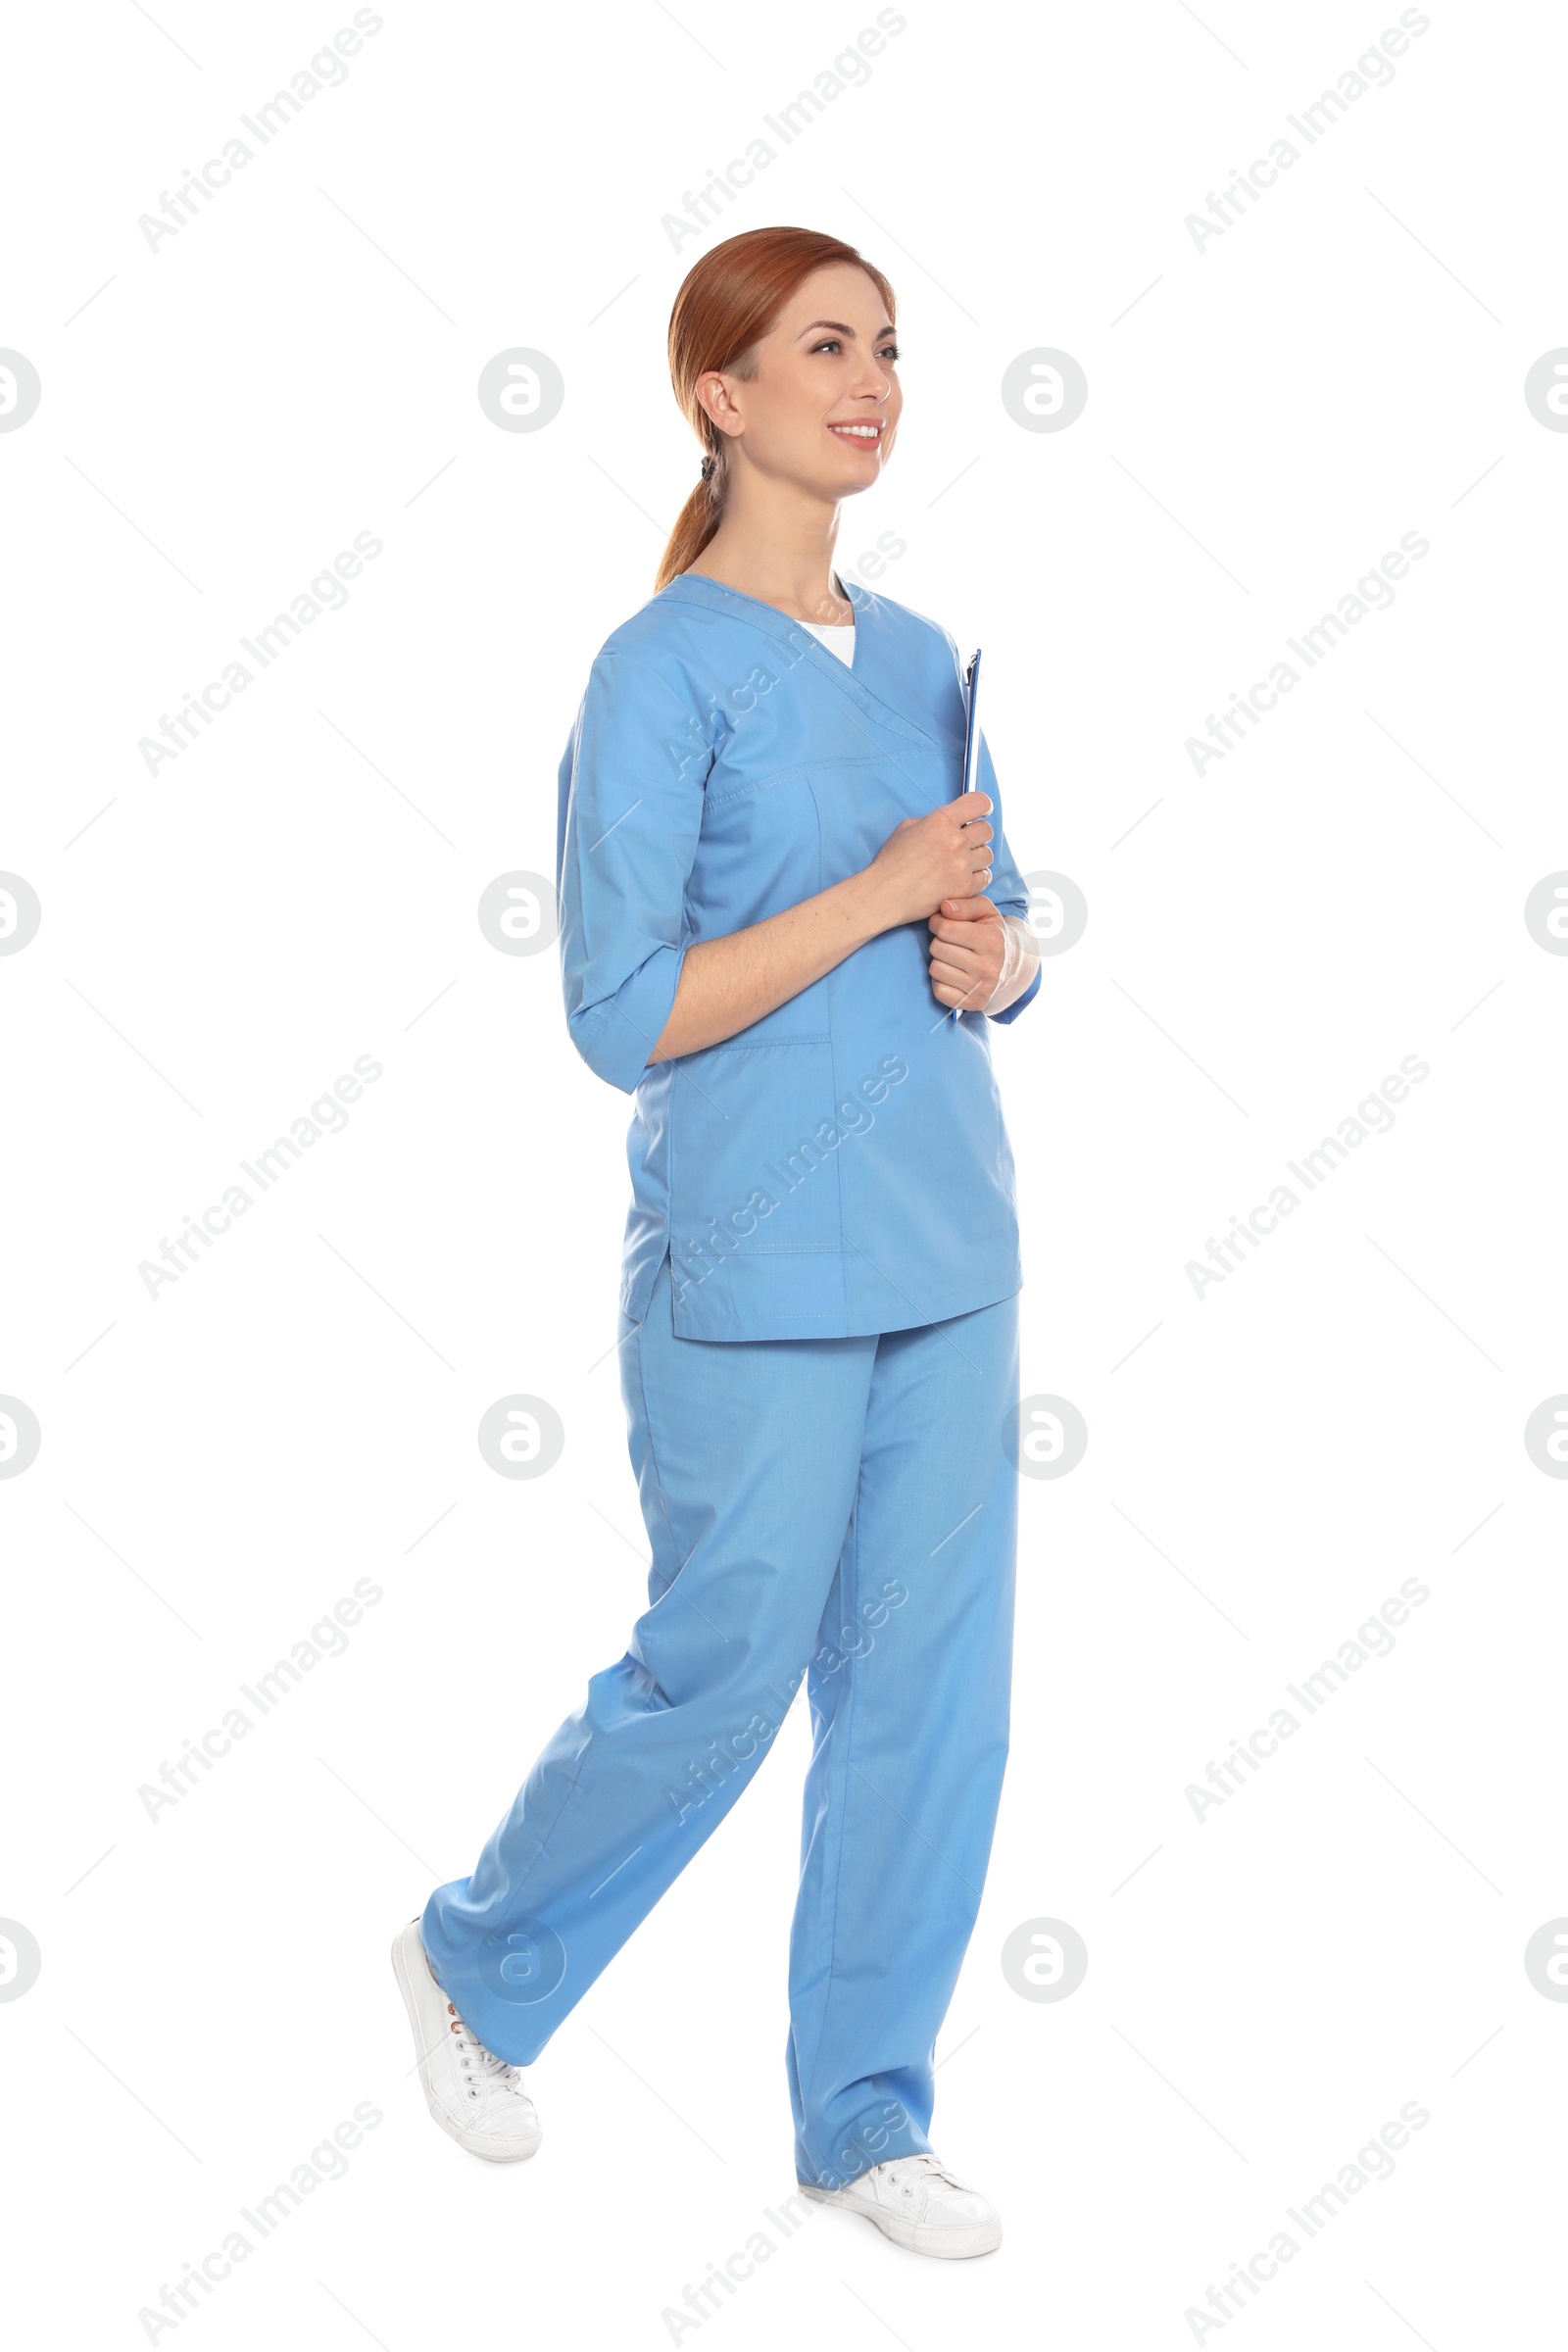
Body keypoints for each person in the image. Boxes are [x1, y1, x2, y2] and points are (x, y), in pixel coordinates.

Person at [393, 223, 1042, 2261]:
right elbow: (615, 1010)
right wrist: (867, 902)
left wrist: (988, 946)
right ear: (719, 396)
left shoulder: (931, 656)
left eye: (888, 348)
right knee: (722, 1669)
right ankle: (475, 1962)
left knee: (929, 1698)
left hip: (946, 1252)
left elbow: (996, 936)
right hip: (751, 1267)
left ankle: (863, 2119)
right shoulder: (653, 667)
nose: (870, 379)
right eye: (822, 346)